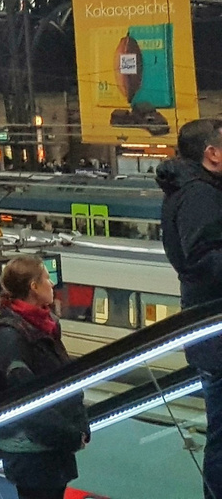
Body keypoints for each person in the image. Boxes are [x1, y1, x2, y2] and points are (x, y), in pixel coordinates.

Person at [0, 256, 87, 499]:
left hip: (52, 447)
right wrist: (71, 435)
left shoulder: (44, 326)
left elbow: (65, 377)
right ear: (34, 287)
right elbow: (27, 402)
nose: (52, 284)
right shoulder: (10, 336)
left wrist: (79, 425)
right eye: (47, 278)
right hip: (31, 451)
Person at [159, 117, 222, 499]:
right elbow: (204, 260)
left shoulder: (195, 190)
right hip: (216, 335)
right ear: (211, 154)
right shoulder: (199, 196)